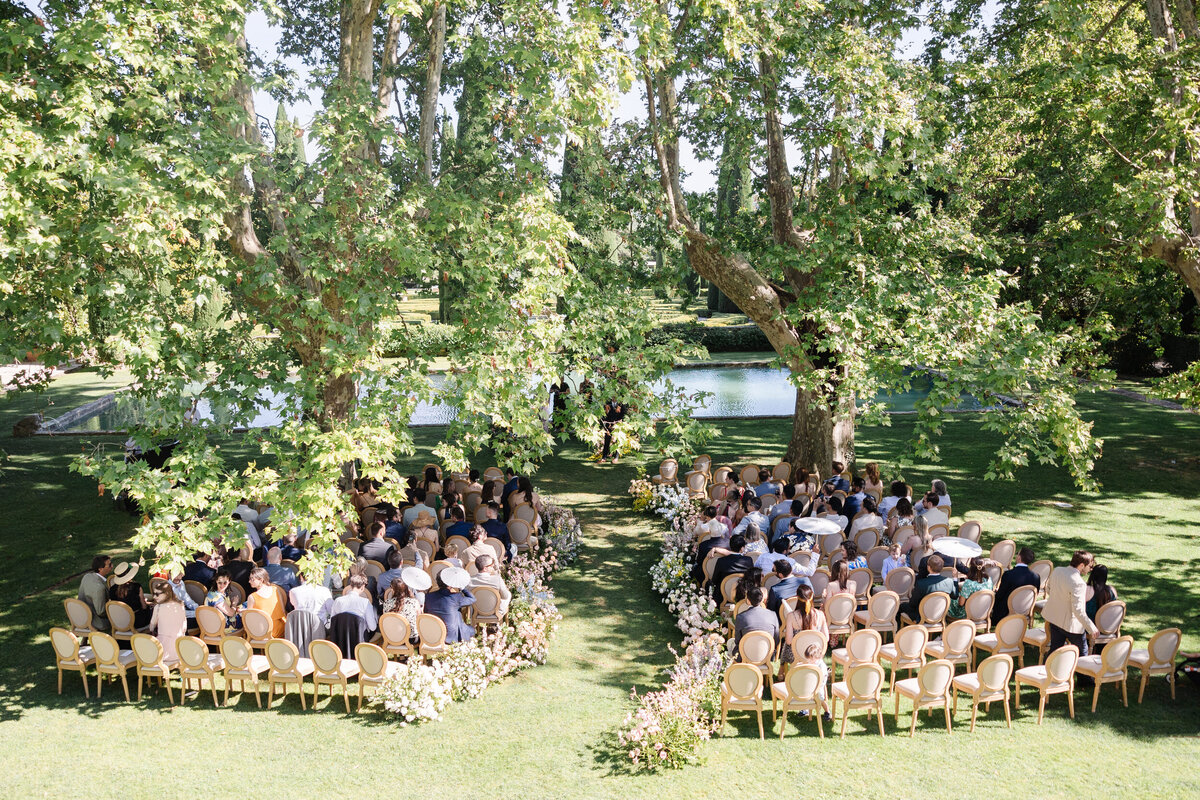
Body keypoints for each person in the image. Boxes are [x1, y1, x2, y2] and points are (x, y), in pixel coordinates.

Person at [1043, 550, 1097, 656]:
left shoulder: (1057, 571)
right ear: (1082, 565)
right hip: (1072, 625)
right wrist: (1092, 628)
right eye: (1090, 567)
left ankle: (1045, 671)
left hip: (1055, 618)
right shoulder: (1079, 583)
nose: (1090, 570)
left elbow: (1049, 589)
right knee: (1082, 654)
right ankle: (1083, 673)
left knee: (1054, 650)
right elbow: (1078, 610)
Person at [423, 568, 476, 643]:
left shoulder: (428, 596)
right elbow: (472, 599)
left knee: (457, 614)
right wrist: (462, 588)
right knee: (472, 630)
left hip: (433, 634)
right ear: (450, 583)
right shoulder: (456, 597)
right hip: (450, 635)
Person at [991, 546, 1041, 625]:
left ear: (1019, 557)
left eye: (1018, 554)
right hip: (1025, 609)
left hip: (1005, 612)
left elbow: (1000, 595)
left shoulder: (1009, 574)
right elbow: (1035, 594)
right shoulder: (1036, 577)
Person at [900, 554, 957, 621]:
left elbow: (912, 604)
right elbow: (955, 596)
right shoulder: (949, 582)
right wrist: (955, 578)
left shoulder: (921, 584)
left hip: (922, 616)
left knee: (902, 606)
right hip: (940, 614)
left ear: (929, 567)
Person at [781, 585, 828, 665]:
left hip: (796, 655)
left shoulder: (791, 616)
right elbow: (826, 638)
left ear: (797, 597)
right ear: (812, 596)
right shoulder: (820, 615)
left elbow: (789, 641)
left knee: (786, 645)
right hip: (814, 654)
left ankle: (782, 667)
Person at [147, 579, 187, 663]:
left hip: (163, 651)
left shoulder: (158, 607)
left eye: (157, 594)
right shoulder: (180, 605)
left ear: (166, 593)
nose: (154, 597)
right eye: (153, 594)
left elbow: (152, 626)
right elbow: (184, 626)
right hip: (181, 650)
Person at [107, 561, 153, 628]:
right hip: (136, 622)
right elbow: (144, 607)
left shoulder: (112, 589)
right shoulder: (136, 587)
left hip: (119, 622)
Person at [711, 534, 755, 602]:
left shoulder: (721, 561)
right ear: (742, 548)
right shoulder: (748, 560)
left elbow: (715, 579)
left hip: (723, 595)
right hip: (743, 595)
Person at [733, 585, 779, 650]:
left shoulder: (741, 617)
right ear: (761, 599)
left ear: (748, 601)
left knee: (730, 643)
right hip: (768, 654)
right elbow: (776, 640)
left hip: (745, 654)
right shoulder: (772, 615)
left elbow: (737, 641)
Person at [246, 567, 286, 637]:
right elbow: (283, 610)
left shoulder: (252, 597)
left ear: (261, 580)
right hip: (282, 627)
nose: (249, 581)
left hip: (265, 631)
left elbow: (250, 620)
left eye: (252, 579)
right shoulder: (276, 589)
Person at [78, 555, 114, 631]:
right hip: (97, 622)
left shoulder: (87, 577)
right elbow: (101, 612)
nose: (112, 566)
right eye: (109, 565)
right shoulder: (99, 588)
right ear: (100, 569)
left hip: (81, 617)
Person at [205, 568, 241, 633]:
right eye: (220, 583)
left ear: (229, 581)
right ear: (216, 581)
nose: (222, 585)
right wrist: (234, 604)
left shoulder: (221, 592)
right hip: (221, 627)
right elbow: (231, 613)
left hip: (220, 622)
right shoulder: (215, 597)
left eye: (225, 583)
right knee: (246, 617)